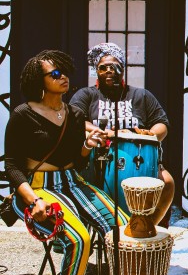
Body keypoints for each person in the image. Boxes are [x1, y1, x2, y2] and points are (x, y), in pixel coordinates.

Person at [5, 50, 129, 275]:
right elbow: (11, 165)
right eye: (55, 74)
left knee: (123, 229)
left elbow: (76, 158)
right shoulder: (23, 114)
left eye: (64, 71)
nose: (63, 77)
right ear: (40, 81)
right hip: (37, 188)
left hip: (73, 181)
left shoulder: (73, 114)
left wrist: (87, 145)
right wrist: (33, 200)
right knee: (79, 238)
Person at [69, 43, 174, 226]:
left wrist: (149, 134)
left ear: (123, 69)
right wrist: (109, 133)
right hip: (95, 160)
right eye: (103, 67)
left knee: (167, 183)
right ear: (97, 72)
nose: (109, 70)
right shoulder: (86, 95)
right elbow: (74, 120)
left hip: (136, 159)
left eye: (115, 66)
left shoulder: (141, 95)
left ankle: (145, 228)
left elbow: (162, 124)